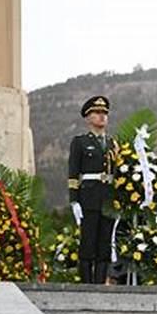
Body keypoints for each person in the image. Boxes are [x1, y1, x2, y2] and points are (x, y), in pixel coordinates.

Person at [67, 96, 117, 284]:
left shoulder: (113, 144)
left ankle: (100, 282)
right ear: (88, 117)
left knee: (104, 243)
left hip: (109, 198)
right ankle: (87, 283)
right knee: (88, 242)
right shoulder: (80, 142)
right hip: (88, 196)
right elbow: (73, 172)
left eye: (105, 113)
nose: (102, 116)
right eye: (97, 113)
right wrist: (74, 200)